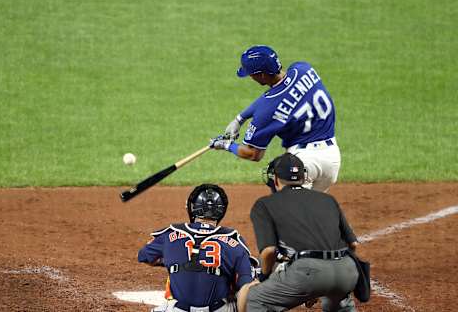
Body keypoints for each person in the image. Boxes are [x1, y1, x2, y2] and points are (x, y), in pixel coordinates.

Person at [238, 153, 360, 312]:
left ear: (274, 179)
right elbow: (353, 244)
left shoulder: (265, 204)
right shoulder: (327, 200)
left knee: (254, 299)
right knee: (337, 297)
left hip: (308, 274)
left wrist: (264, 278)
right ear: (304, 177)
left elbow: (269, 251)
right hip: (347, 272)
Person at [209, 45, 340, 192]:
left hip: (304, 162)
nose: (251, 77)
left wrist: (226, 145)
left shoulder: (266, 111)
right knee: (313, 209)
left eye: (251, 74)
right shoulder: (303, 69)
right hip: (332, 158)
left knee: (288, 210)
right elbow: (276, 95)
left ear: (262, 75)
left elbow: (253, 154)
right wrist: (240, 118)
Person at [138, 184, 256, 312]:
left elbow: (144, 256)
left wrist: (174, 259)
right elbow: (246, 286)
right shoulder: (234, 240)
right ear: (221, 211)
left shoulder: (170, 234)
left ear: (193, 208)